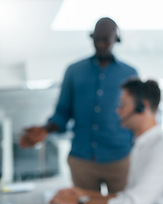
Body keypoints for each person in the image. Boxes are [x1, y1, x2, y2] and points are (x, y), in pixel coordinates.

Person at [51, 78, 163, 204]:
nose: (117, 111)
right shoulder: (141, 146)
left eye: (122, 104)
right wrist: (84, 194)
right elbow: (127, 197)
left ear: (140, 107)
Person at [19, 17, 138, 193]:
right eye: (96, 39)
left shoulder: (130, 73)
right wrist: (46, 129)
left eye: (106, 39)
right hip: (82, 160)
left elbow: (137, 116)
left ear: (116, 39)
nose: (101, 44)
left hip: (120, 158)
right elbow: (62, 112)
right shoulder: (74, 71)